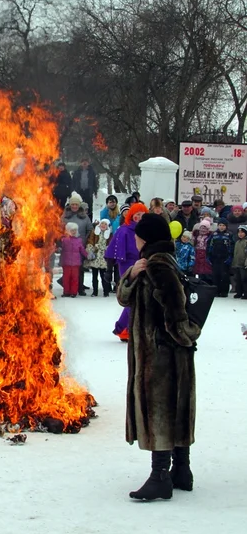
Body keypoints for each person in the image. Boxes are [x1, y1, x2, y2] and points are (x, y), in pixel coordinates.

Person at [117, 213, 200, 501]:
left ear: (147, 237)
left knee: (160, 410)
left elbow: (175, 311)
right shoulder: (154, 263)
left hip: (160, 355)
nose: (135, 238)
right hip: (169, 353)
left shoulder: (158, 265)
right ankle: (182, 470)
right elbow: (124, 298)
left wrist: (184, 337)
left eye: (139, 235)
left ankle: (160, 475)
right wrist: (132, 274)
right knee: (174, 407)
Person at [105, 202, 148, 340]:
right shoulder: (124, 229)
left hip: (142, 263)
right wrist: (109, 268)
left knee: (137, 296)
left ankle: (123, 328)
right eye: (137, 215)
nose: (140, 217)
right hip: (127, 265)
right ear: (132, 215)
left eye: (143, 215)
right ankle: (127, 328)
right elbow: (113, 249)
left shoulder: (147, 229)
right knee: (132, 296)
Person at [61, 192, 93, 295]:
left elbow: (90, 229)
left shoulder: (85, 217)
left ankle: (80, 288)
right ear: (70, 205)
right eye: (73, 204)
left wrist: (84, 239)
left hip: (80, 245)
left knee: (80, 269)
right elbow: (59, 229)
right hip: (67, 246)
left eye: (76, 204)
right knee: (67, 269)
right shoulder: (65, 216)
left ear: (79, 205)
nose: (74, 206)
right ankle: (67, 289)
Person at [206, 218, 234, 297]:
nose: (221, 227)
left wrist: (230, 257)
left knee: (224, 275)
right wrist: (208, 256)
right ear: (218, 226)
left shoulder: (229, 235)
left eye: (223, 225)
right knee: (215, 275)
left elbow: (232, 247)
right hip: (215, 258)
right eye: (220, 225)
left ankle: (224, 291)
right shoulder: (214, 234)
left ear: (226, 226)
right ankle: (216, 291)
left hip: (225, 259)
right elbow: (209, 245)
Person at [84, 218, 112, 297]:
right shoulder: (95, 232)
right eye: (102, 224)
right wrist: (91, 249)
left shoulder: (109, 234)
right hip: (96, 257)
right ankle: (95, 292)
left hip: (104, 257)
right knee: (94, 276)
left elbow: (111, 244)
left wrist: (107, 249)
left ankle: (106, 292)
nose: (103, 225)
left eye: (105, 224)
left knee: (104, 276)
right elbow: (90, 241)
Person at [60, 222, 88, 297]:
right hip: (66, 262)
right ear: (68, 230)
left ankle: (73, 292)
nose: (74, 232)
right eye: (72, 230)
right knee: (66, 278)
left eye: (75, 230)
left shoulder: (79, 240)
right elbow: (60, 248)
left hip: (76, 263)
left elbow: (82, 250)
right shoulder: (64, 240)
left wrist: (87, 255)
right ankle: (66, 292)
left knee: (75, 278)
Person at [232, 225, 247, 299]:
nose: (240, 234)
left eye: (242, 232)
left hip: (244, 264)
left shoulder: (246, 242)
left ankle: (246, 293)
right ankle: (239, 292)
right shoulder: (237, 242)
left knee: (244, 279)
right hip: (237, 264)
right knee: (238, 279)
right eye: (239, 232)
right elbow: (235, 253)